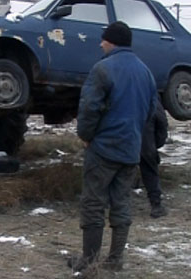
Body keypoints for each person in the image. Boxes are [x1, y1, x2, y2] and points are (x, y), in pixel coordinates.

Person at [69, 21, 157, 273]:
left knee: (93, 203)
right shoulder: (145, 72)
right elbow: (151, 110)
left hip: (104, 148)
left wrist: (86, 136)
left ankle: (89, 263)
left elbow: (89, 108)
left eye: (103, 39)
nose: (100, 43)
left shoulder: (102, 69)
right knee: (121, 203)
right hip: (131, 149)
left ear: (112, 41)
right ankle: (115, 260)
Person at [139, 97, 168, 218]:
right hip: (146, 144)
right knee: (150, 173)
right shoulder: (151, 96)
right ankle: (156, 205)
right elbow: (162, 123)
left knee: (119, 174)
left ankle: (116, 205)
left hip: (124, 143)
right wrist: (156, 144)